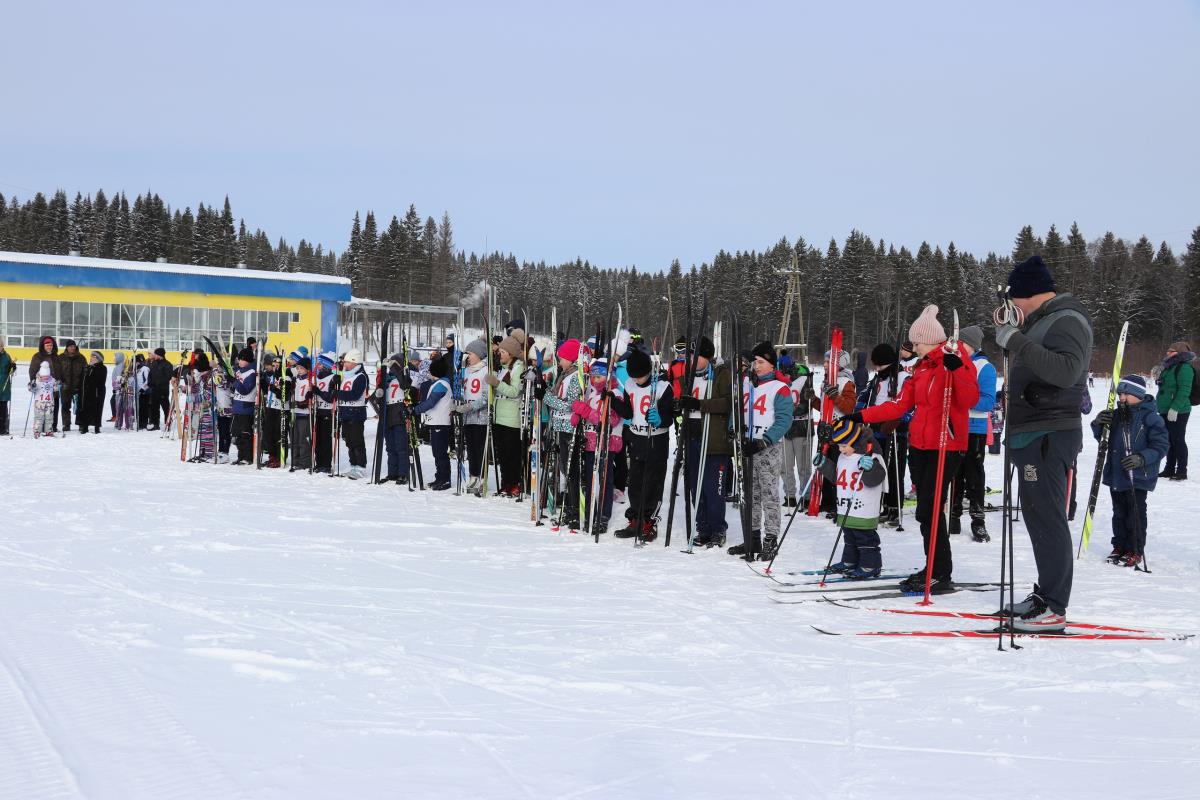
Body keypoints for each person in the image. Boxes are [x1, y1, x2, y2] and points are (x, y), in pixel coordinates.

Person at [992, 255, 1093, 632]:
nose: (1012, 307)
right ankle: (1045, 594)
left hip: (1049, 433)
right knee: (1036, 516)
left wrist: (1017, 340)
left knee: (1048, 518)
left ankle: (1054, 606)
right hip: (1032, 433)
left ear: (1028, 293)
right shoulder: (1045, 320)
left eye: (1014, 298)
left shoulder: (1067, 319)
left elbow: (1067, 372)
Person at [853, 305, 979, 594]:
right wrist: (861, 416)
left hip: (946, 446)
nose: (914, 347)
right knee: (924, 512)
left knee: (931, 510)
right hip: (920, 446)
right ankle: (933, 565)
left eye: (918, 342)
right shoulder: (921, 368)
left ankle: (940, 572)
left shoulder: (955, 359)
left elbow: (970, 398)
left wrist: (957, 369)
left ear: (931, 339)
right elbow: (899, 405)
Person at [1092, 375, 1169, 568]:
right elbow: (1103, 438)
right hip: (1117, 473)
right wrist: (1098, 423)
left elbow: (1161, 446)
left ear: (1138, 395)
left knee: (1134, 513)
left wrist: (1142, 458)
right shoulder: (1117, 415)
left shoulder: (1151, 417)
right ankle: (1119, 545)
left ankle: (1135, 548)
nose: (1122, 397)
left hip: (1138, 476)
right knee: (1118, 512)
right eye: (1120, 393)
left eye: (1126, 393)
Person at [727, 341, 793, 560]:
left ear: (772, 365)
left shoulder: (779, 388)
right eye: (755, 361)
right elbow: (738, 409)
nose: (756, 365)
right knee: (749, 494)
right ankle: (752, 538)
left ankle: (770, 539)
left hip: (767, 448)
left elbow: (784, 420)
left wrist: (765, 441)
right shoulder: (747, 384)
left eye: (761, 362)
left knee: (768, 494)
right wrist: (732, 428)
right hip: (747, 445)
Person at [674, 336, 733, 549]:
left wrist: (700, 404)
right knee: (695, 486)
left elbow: (729, 403)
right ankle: (703, 528)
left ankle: (718, 529)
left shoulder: (721, 374)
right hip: (693, 437)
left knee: (713, 487)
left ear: (706, 356)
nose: (690, 359)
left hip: (714, 440)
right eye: (689, 355)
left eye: (694, 355)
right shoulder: (688, 377)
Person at [610, 346, 673, 541]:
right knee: (635, 481)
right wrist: (613, 401)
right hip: (636, 437)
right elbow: (629, 413)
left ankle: (649, 521)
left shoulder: (663, 387)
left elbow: (670, 417)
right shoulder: (629, 385)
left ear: (648, 371)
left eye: (640, 376)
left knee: (652, 482)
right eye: (634, 376)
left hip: (656, 440)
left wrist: (660, 418)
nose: (636, 380)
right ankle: (635, 519)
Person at [818, 418, 887, 578]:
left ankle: (871, 565)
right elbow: (838, 477)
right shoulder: (844, 457)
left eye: (844, 445)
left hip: (863, 507)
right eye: (839, 446)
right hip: (846, 505)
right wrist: (824, 464)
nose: (841, 450)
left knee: (864, 537)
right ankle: (850, 561)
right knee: (849, 534)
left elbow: (877, 478)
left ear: (854, 442)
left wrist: (869, 468)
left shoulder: (870, 456)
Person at [949, 325, 996, 542]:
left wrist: (964, 400)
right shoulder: (954, 362)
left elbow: (988, 401)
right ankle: (953, 516)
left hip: (974, 429)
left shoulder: (984, 367)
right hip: (954, 428)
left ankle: (978, 521)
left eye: (962, 343)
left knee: (974, 477)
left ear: (971, 345)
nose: (958, 346)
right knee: (954, 474)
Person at [858, 343, 911, 527]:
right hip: (877, 428)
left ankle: (896, 507)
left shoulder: (903, 377)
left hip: (896, 429)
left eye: (879, 365)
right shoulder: (877, 379)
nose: (877, 369)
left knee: (896, 468)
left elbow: (911, 405)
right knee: (882, 468)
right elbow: (864, 398)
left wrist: (898, 420)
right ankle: (886, 506)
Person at [543, 338, 586, 527]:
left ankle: (574, 508)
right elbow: (558, 397)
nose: (559, 362)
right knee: (563, 470)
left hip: (569, 427)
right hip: (560, 426)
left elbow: (571, 404)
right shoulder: (566, 375)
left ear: (570, 358)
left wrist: (547, 399)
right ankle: (568, 506)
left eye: (562, 358)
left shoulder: (576, 376)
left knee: (571, 470)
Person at [491, 333, 527, 497]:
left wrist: (497, 384)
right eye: (500, 352)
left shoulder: (519, 368)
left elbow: (514, 391)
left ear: (511, 354)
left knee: (512, 453)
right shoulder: (503, 369)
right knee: (502, 453)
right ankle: (506, 483)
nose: (500, 354)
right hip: (499, 416)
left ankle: (514, 483)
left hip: (512, 418)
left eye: (503, 352)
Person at [411, 353, 454, 490]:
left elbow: (430, 403)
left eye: (430, 371)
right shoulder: (438, 383)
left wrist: (414, 410)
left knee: (440, 452)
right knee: (437, 451)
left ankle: (445, 479)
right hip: (436, 421)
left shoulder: (441, 384)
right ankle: (439, 477)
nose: (428, 373)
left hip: (440, 422)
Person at [457, 338, 491, 493]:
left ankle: (482, 479)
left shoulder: (485, 371)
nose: (468, 357)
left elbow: (486, 397)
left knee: (479, 449)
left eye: (470, 353)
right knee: (470, 449)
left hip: (480, 417)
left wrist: (470, 406)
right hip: (468, 417)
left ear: (478, 354)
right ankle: (473, 477)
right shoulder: (466, 371)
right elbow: (464, 391)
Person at [1156, 341, 1193, 481]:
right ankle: (1169, 468)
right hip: (1165, 409)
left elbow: (1185, 390)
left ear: (1179, 353)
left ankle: (1182, 471)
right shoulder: (1169, 367)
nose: (1167, 353)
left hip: (1179, 410)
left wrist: (1175, 408)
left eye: (1171, 351)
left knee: (1178, 440)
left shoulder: (1184, 368)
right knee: (1169, 440)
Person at [781, 362, 815, 507]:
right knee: (786, 465)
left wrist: (787, 410)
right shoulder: (782, 383)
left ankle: (806, 496)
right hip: (786, 427)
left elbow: (805, 407)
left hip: (802, 427)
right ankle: (789, 495)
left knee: (803, 466)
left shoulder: (804, 381)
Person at [375, 353, 410, 484]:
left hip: (399, 412)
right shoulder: (387, 379)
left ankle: (403, 473)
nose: (391, 367)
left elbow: (405, 385)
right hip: (388, 412)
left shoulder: (404, 377)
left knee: (401, 446)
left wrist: (396, 368)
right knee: (390, 446)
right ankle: (393, 472)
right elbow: (379, 397)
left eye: (395, 364)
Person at [336, 349, 370, 480]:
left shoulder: (361, 376)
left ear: (354, 362)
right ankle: (353, 465)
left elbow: (355, 395)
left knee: (357, 441)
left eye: (348, 362)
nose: (345, 364)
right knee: (349, 441)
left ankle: (360, 466)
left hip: (356, 413)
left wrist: (338, 394)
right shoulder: (347, 375)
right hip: (345, 413)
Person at [311, 352, 338, 474]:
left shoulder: (332, 378)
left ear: (326, 365)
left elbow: (331, 397)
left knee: (326, 440)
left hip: (328, 412)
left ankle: (326, 464)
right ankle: (319, 462)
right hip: (318, 411)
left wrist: (318, 392)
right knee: (318, 440)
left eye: (320, 364)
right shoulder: (317, 378)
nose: (318, 366)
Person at [230, 348, 258, 464]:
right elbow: (235, 388)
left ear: (247, 360)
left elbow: (245, 390)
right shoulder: (239, 371)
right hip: (237, 406)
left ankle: (247, 457)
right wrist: (231, 381)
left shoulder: (251, 373)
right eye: (239, 359)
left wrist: (235, 382)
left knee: (245, 434)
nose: (239, 362)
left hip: (246, 408)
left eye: (242, 360)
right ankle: (241, 456)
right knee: (237, 434)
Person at [28, 336, 61, 431]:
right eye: (47, 345)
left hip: (54, 386)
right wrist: (33, 381)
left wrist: (60, 380)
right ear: (43, 346)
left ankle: (52, 427)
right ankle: (41, 427)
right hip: (42, 388)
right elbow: (32, 370)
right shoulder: (37, 356)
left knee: (54, 407)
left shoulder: (56, 356)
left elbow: (60, 370)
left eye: (51, 345)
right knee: (41, 409)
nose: (49, 347)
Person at [57, 340, 86, 433]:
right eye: (70, 346)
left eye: (74, 346)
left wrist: (82, 383)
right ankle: (66, 424)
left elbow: (85, 371)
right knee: (65, 406)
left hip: (78, 386)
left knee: (80, 406)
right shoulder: (61, 358)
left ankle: (81, 424)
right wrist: (61, 382)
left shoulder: (81, 358)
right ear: (67, 347)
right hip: (65, 387)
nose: (72, 348)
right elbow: (58, 371)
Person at [77, 351, 107, 434]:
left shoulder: (102, 367)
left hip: (97, 392)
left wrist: (91, 370)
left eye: (93, 357)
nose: (91, 358)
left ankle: (97, 427)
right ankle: (85, 426)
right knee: (86, 409)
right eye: (91, 356)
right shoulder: (88, 367)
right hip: (87, 392)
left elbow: (99, 380)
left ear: (98, 359)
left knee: (97, 410)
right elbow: (83, 379)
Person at [147, 348, 173, 430]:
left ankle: (167, 424)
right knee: (154, 408)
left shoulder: (168, 364)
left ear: (160, 355)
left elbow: (167, 377)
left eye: (156, 354)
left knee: (166, 408)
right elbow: (150, 374)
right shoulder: (154, 363)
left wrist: (158, 383)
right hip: (154, 390)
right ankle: (155, 424)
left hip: (163, 390)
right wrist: (150, 383)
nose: (154, 355)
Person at [32, 361, 57, 438]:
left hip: (50, 402)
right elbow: (32, 389)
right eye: (43, 376)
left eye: (47, 376)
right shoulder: (37, 380)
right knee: (39, 417)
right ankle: (37, 431)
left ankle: (48, 431)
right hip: (39, 403)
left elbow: (56, 388)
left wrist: (58, 385)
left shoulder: (52, 380)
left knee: (49, 417)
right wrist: (32, 386)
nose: (45, 378)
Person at [0, 342, 16, 435]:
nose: (0, 348)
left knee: (3, 408)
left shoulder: (7, 356)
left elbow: (11, 371)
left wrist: (13, 367)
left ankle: (3, 428)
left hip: (4, 385)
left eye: (1, 346)